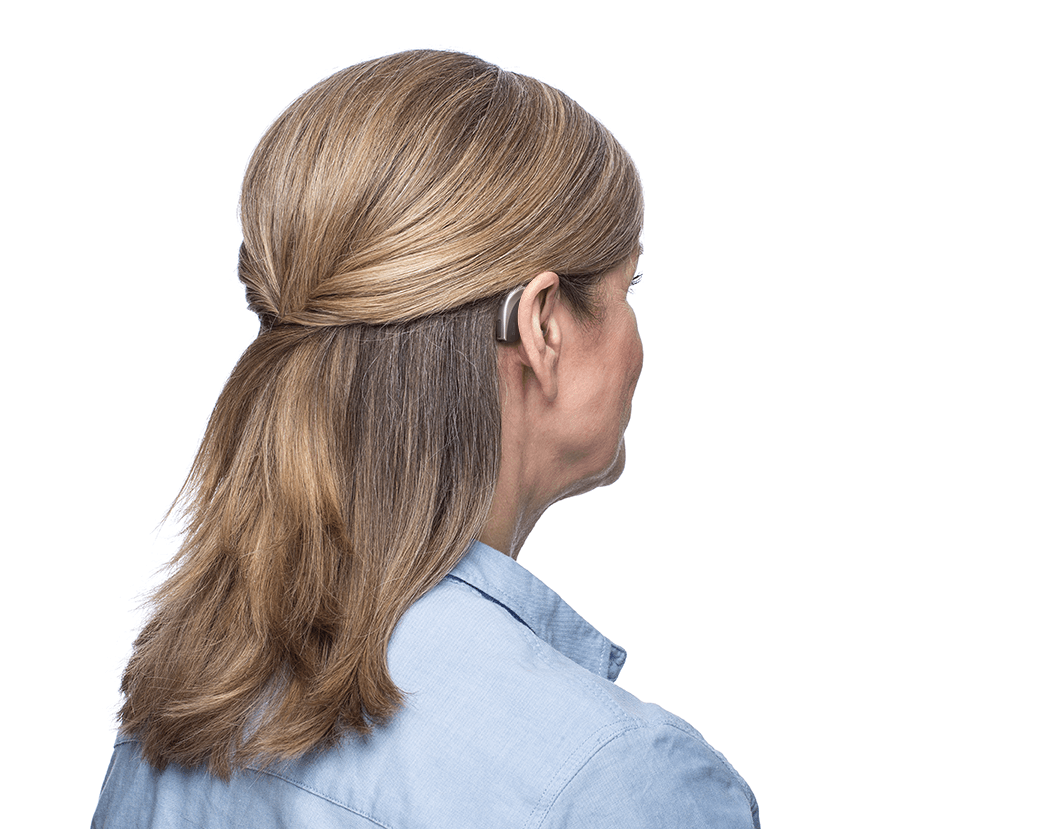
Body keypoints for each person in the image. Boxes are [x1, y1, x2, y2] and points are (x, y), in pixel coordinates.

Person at [93, 49, 759, 827]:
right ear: (543, 325)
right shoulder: (614, 781)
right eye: (627, 288)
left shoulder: (176, 710)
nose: (637, 332)